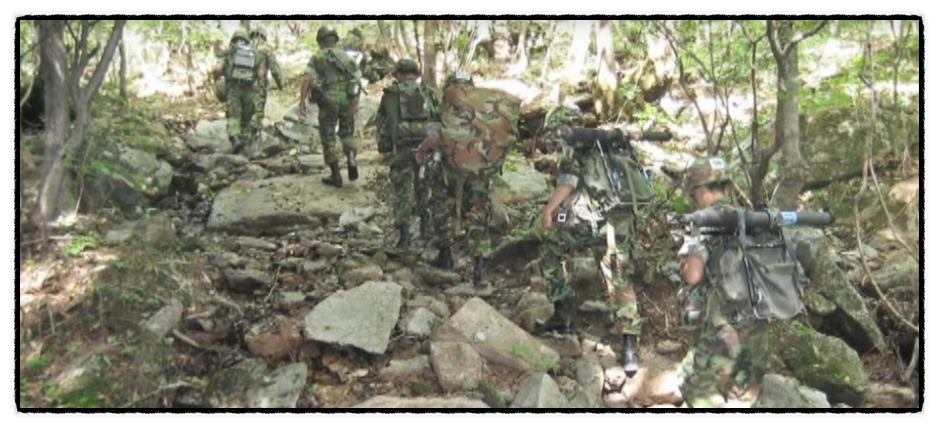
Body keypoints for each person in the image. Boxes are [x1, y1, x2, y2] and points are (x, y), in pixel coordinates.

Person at [532, 105, 647, 377]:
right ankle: (629, 348)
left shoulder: (574, 146)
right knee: (618, 276)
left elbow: (568, 182)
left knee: (550, 251)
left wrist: (549, 210)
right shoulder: (609, 145)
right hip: (618, 220)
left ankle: (562, 314)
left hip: (590, 223)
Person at [676, 157, 770, 408]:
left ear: (699, 190)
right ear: (727, 187)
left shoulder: (706, 221)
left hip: (726, 332)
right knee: (741, 396)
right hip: (757, 331)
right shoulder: (751, 219)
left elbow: (693, 275)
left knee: (692, 385)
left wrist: (686, 258)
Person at [415, 71, 517, 292]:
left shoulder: (446, 104)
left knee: (441, 208)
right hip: (478, 171)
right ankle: (480, 271)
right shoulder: (484, 109)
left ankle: (446, 256)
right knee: (478, 216)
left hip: (449, 169)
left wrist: (422, 151)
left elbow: (434, 135)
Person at [376, 58, 439, 250]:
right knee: (424, 188)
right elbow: (437, 119)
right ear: (416, 74)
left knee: (403, 191)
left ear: (399, 75)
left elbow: (382, 122)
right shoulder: (428, 92)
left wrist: (385, 146)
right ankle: (426, 229)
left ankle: (404, 237)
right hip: (425, 149)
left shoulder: (391, 94)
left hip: (401, 150)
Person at [299, 25, 362, 188]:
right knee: (347, 133)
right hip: (347, 99)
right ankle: (351, 158)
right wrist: (355, 101)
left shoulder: (317, 57)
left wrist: (302, 102)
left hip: (328, 101)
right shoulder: (346, 57)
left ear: (320, 41)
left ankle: (336, 175)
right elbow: (357, 79)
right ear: (335, 40)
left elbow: (307, 79)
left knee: (328, 136)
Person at [213, 30, 261, 154]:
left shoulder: (229, 52)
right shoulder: (255, 53)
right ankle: (245, 143)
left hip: (233, 88)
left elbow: (217, 69)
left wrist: (217, 80)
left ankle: (235, 139)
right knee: (246, 117)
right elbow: (261, 74)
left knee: (234, 115)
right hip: (250, 89)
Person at [249, 27, 284, 141]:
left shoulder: (244, 49)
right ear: (263, 38)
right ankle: (253, 139)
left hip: (240, 87)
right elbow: (275, 69)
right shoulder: (265, 50)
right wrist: (281, 84)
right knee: (257, 114)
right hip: (258, 86)